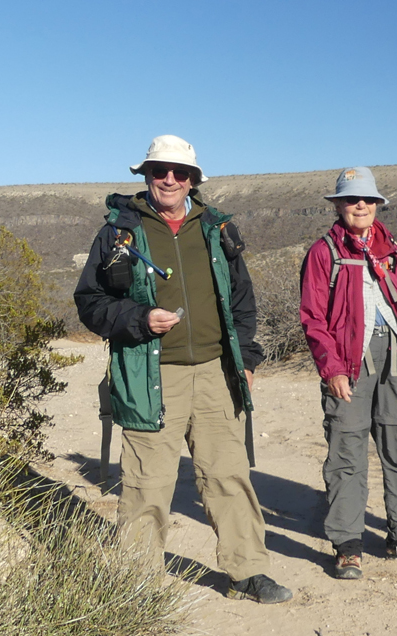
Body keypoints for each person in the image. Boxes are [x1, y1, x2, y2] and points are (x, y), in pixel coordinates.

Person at [74, 134, 292, 604]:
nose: (169, 179)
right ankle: (136, 582)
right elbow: (89, 302)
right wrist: (136, 319)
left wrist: (248, 359)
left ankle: (247, 572)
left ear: (193, 179)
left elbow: (241, 302)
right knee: (147, 481)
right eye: (159, 171)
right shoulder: (119, 233)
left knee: (228, 474)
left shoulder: (216, 229)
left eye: (180, 172)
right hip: (149, 375)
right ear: (145, 175)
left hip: (216, 372)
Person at [299, 167, 397, 579]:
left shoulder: (393, 251)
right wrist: (332, 369)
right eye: (350, 199)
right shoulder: (324, 252)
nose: (359, 205)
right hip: (348, 363)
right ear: (338, 205)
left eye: (367, 199)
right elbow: (313, 319)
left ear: (377, 204)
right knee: (346, 453)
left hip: (396, 358)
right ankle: (347, 544)